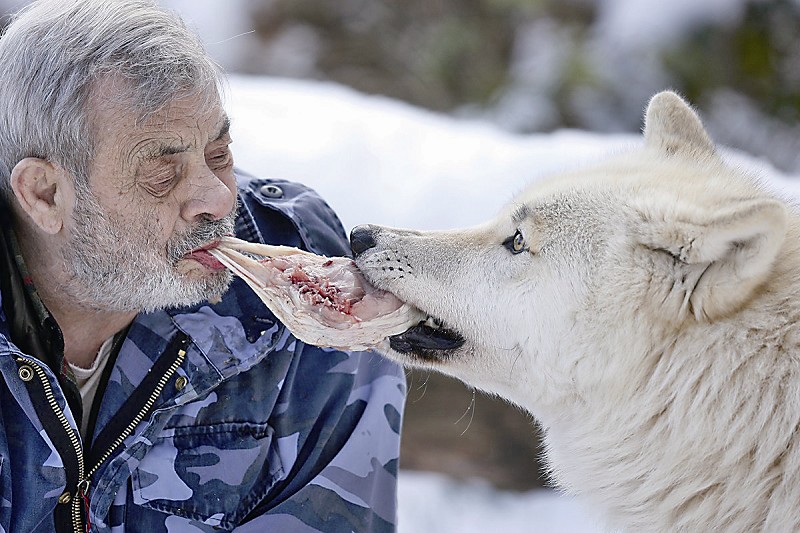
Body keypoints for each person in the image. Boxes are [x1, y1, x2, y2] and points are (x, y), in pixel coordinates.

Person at [0, 0, 406, 531]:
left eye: (219, 154)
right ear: (45, 194)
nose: (217, 198)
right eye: (162, 174)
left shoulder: (296, 280)